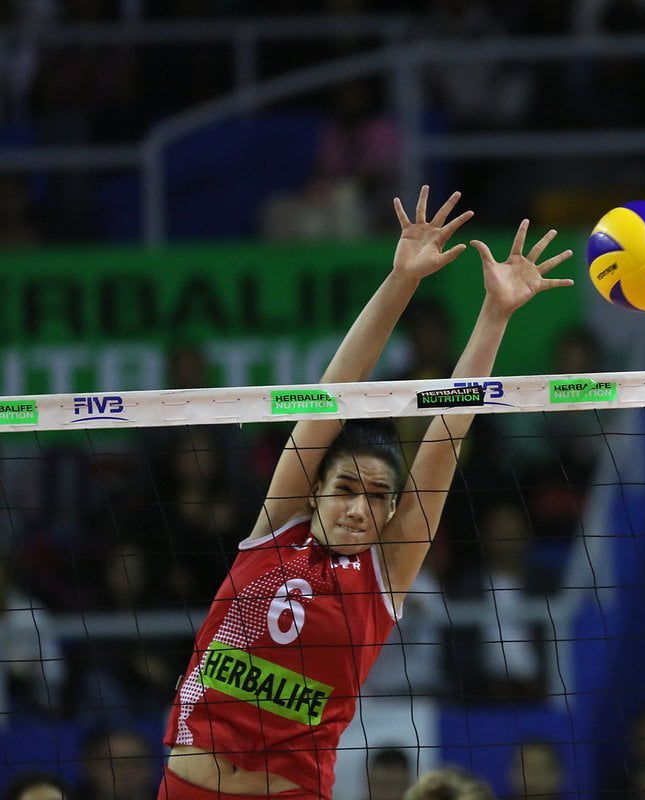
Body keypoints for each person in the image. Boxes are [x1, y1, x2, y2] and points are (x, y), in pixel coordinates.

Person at [158, 186, 573, 800]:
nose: (359, 506)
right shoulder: (277, 530)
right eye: (345, 488)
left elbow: (445, 439)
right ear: (315, 490)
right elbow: (335, 389)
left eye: (378, 495)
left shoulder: (385, 570)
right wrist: (400, 280)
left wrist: (495, 315)